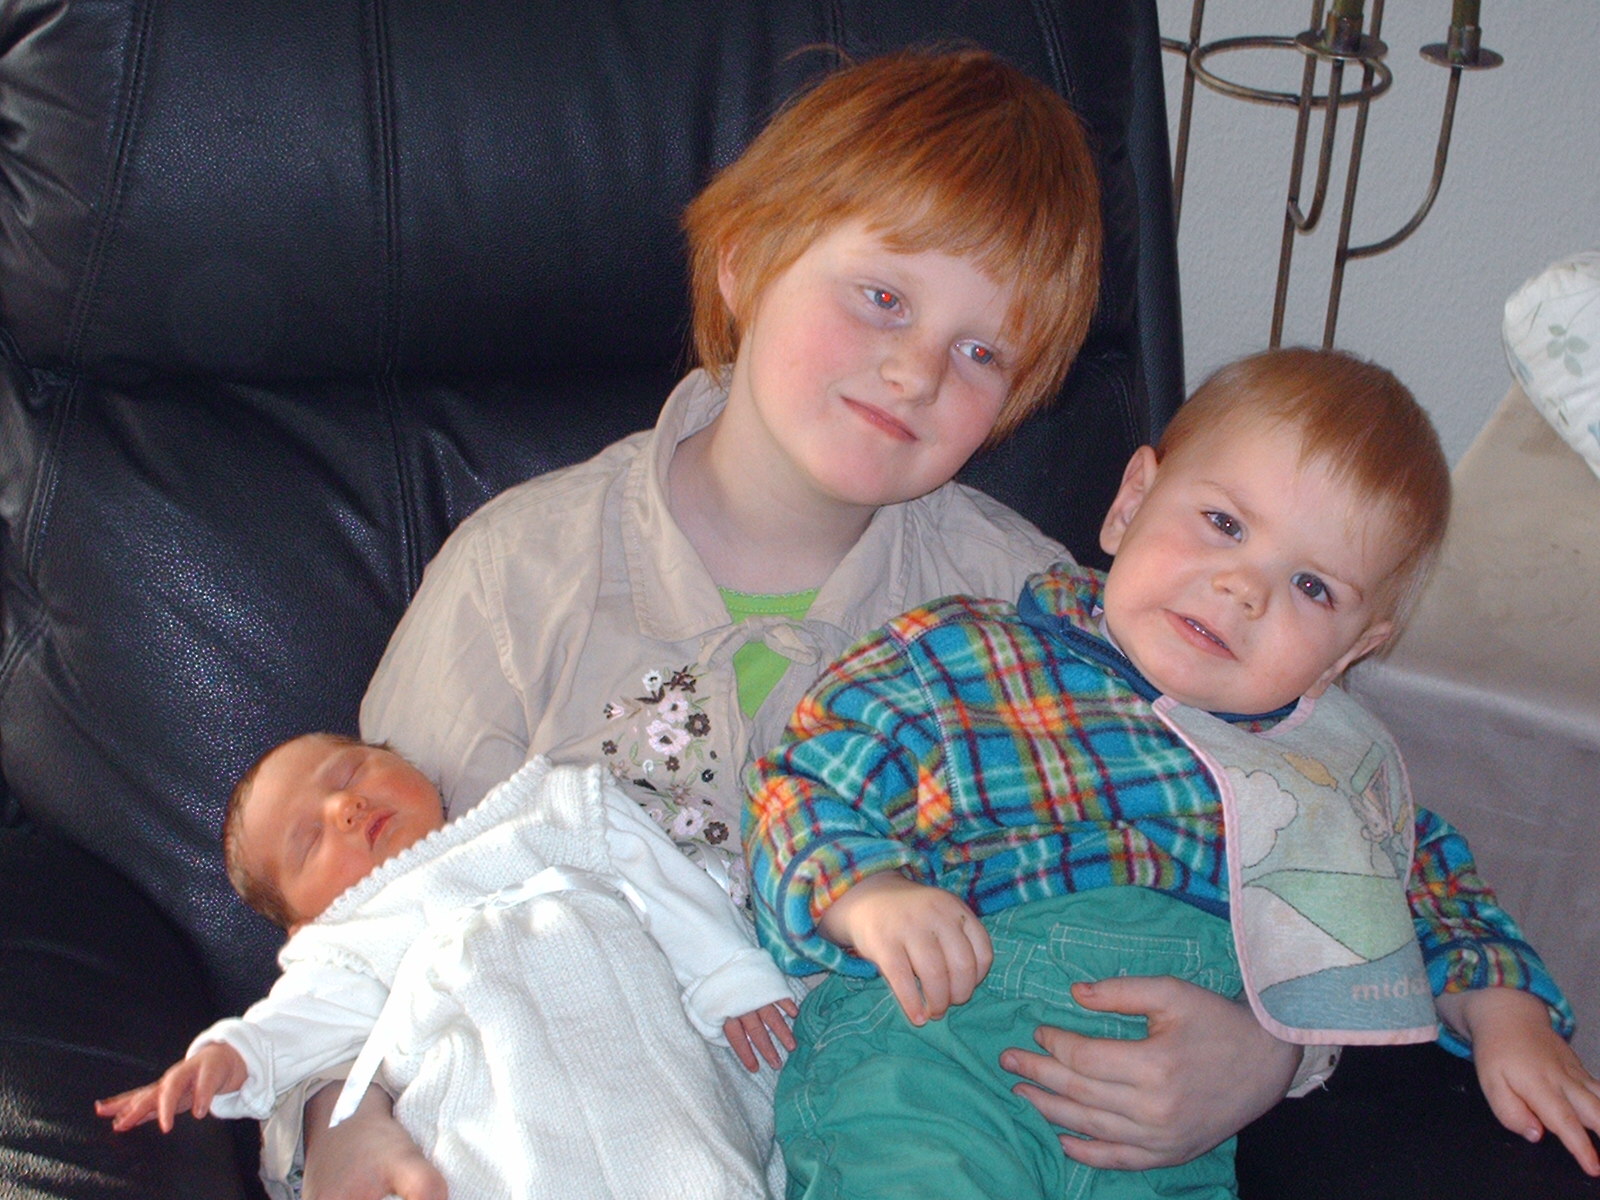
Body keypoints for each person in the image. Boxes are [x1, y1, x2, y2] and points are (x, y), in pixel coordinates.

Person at [293, 48, 1311, 1200]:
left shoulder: (1038, 613)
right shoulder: (515, 578)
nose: (916, 371)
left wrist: (1268, 1054)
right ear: (745, 261)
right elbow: (358, 916)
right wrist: (340, 1120)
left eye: (982, 352)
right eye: (881, 297)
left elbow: (1293, 831)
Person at [746, 347, 1600, 1198]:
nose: (1243, 589)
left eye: (1312, 587)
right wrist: (869, 896)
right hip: (936, 1060)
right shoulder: (962, 654)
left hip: (1164, 1136)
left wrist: (1507, 1014)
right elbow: (805, 784)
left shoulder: (1335, 774)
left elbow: (1434, 890)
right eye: (1224, 524)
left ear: (1352, 651)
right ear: (1130, 504)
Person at [98, 733, 800, 1198]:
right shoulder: (350, 940)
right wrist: (228, 1055)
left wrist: (729, 976)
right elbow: (294, 1022)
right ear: (305, 920)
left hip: (652, 1090)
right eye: (309, 839)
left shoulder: (552, 809)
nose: (346, 806)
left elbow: (664, 885)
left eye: (350, 772)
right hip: (494, 1144)